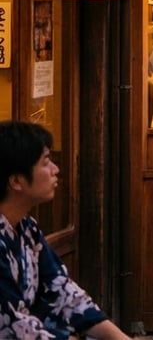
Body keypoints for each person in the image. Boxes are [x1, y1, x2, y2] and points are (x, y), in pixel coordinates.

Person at [0, 122, 130, 340]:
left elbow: (63, 291)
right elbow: (14, 326)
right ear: (16, 181)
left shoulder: (26, 228)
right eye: (46, 162)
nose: (55, 169)